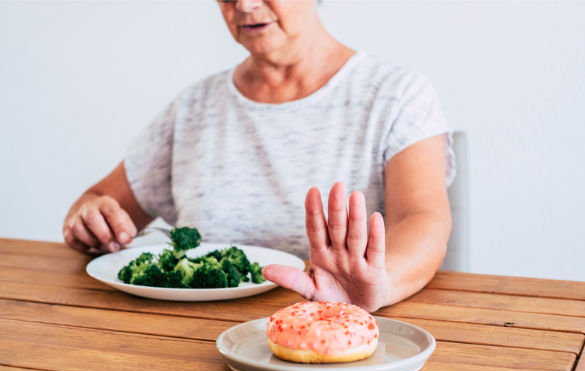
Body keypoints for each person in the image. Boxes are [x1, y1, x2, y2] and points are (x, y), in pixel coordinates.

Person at [63, 0, 455, 312]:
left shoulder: (398, 94)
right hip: (189, 345)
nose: (245, 5)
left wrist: (379, 285)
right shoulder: (193, 108)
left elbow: (422, 218)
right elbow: (100, 201)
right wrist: (91, 217)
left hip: (333, 334)